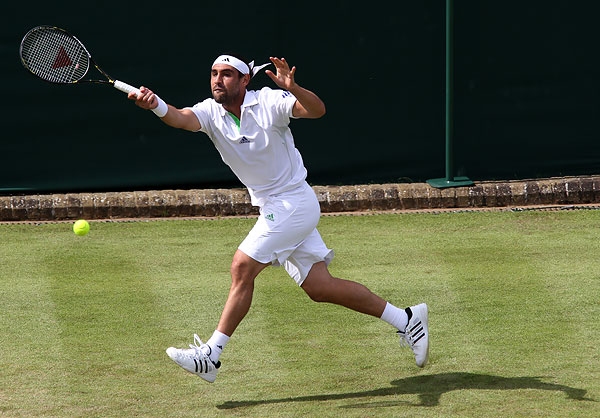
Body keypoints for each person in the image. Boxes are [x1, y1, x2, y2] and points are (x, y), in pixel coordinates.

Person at [128, 54, 429, 383]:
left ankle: (211, 355)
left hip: (293, 203)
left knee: (242, 266)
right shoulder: (210, 112)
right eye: (214, 73)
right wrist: (155, 105)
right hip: (276, 207)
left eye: (226, 74)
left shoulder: (269, 101)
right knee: (320, 287)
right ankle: (407, 319)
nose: (217, 80)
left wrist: (294, 88)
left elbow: (316, 110)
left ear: (244, 80)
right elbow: (179, 117)